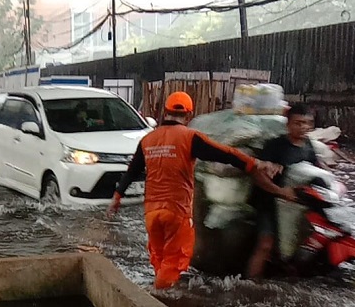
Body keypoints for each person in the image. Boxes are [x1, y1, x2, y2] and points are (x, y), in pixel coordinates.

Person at [107, 91, 295, 289]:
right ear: (188, 115)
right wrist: (256, 163)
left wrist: (116, 198)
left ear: (166, 112)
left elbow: (131, 172)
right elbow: (226, 154)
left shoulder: (148, 140)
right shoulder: (190, 137)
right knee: (174, 261)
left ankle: (157, 288)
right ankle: (157, 297)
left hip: (152, 213)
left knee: (159, 258)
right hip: (176, 212)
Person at [246, 102, 327, 279]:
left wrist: (332, 180)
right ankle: (250, 285)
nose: (303, 127)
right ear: (288, 124)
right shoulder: (275, 145)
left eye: (307, 123)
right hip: (268, 200)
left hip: (293, 204)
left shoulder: (308, 146)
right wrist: (280, 191)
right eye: (298, 123)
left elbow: (316, 168)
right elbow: (256, 174)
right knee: (265, 245)